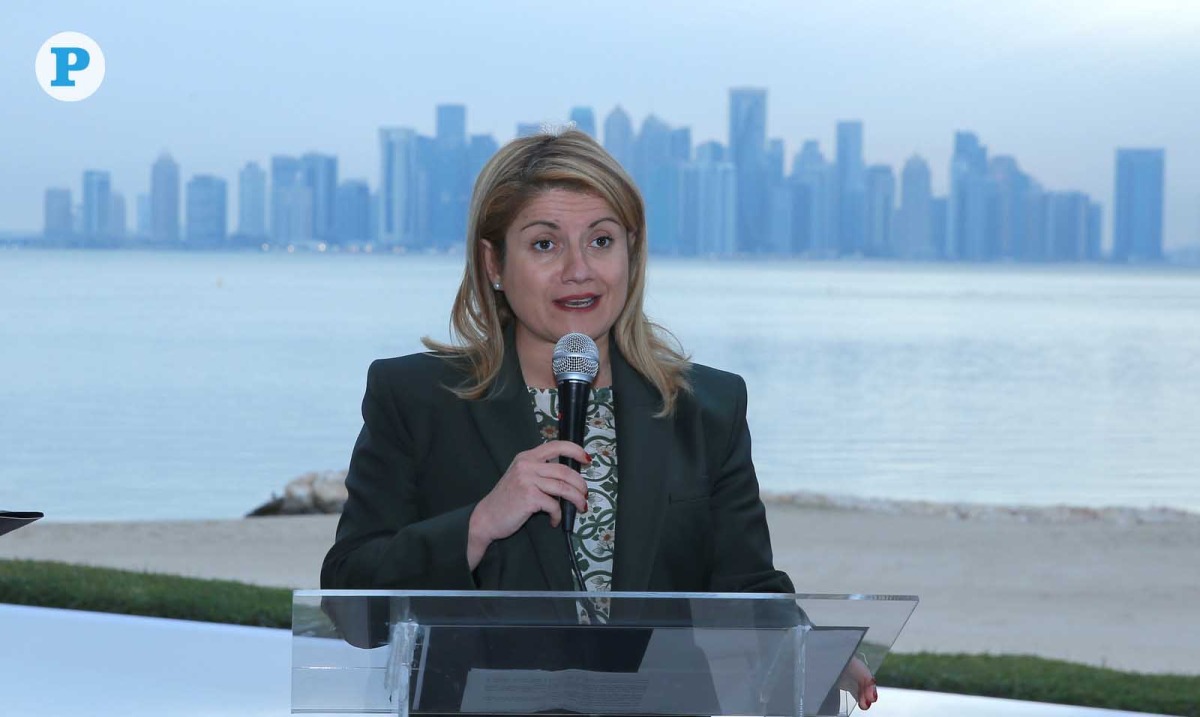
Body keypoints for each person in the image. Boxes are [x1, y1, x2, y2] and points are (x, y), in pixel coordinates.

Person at [320, 129, 877, 710]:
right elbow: (350, 603)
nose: (579, 270)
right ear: (494, 263)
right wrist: (478, 525)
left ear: (630, 254)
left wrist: (812, 645)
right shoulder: (416, 398)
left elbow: (747, 590)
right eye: (544, 245)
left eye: (601, 240)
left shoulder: (706, 408)